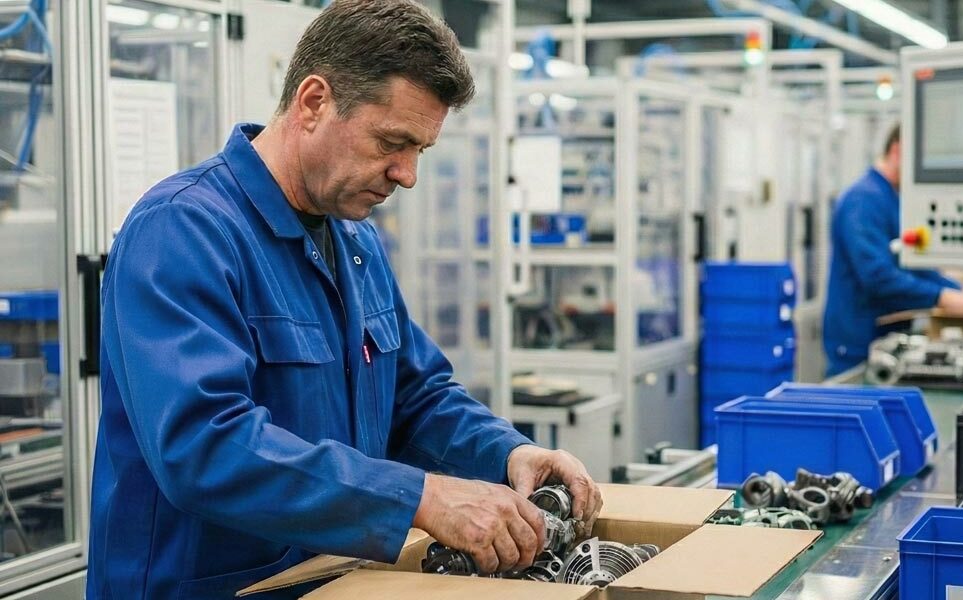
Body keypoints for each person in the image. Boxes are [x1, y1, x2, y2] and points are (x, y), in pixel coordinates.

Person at [86, 2, 602, 598]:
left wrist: (508, 452)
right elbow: (203, 445)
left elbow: (414, 394)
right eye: (392, 142)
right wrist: (422, 497)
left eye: (420, 152)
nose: (406, 174)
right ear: (313, 103)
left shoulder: (354, 239)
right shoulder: (182, 232)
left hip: (331, 582)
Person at [823, 124, 963, 376]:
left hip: (886, 339)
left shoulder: (892, 197)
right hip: (858, 343)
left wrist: (961, 289)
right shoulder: (863, 201)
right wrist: (944, 297)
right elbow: (878, 276)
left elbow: (910, 262)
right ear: (897, 150)